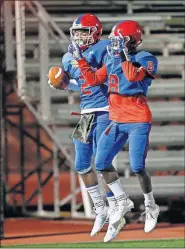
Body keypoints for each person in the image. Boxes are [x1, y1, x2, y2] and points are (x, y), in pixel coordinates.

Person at [69, 20, 160, 242]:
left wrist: (121, 55)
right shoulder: (103, 56)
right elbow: (88, 81)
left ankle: (140, 204)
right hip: (100, 116)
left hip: (122, 115)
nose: (114, 44)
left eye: (120, 40)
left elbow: (131, 76)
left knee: (133, 166)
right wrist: (74, 65)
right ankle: (107, 206)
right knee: (90, 164)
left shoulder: (138, 56)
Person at [48, 13, 129, 237]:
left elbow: (102, 78)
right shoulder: (67, 58)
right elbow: (82, 85)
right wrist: (64, 85)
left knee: (103, 161)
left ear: (96, 32)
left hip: (106, 109)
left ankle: (118, 205)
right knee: (82, 164)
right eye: (77, 33)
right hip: (86, 112)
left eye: (84, 32)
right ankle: (100, 209)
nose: (80, 37)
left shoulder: (104, 48)